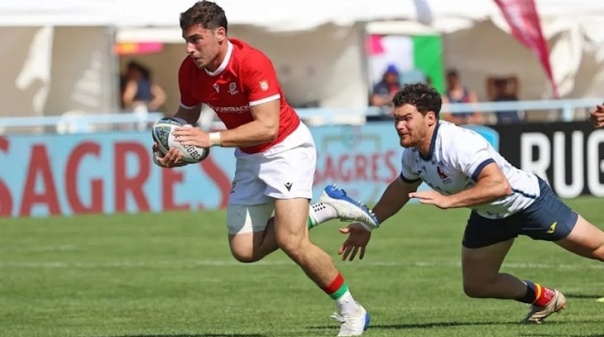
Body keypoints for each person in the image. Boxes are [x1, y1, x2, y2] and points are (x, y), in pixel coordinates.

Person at [152, 2, 377, 336]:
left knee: (291, 240)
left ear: (220, 34)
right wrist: (170, 144)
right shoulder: (190, 70)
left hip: (286, 148)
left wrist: (210, 139)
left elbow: (268, 128)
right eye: (186, 39)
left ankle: (351, 310)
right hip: (248, 153)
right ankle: (325, 208)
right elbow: (187, 116)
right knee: (244, 250)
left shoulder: (251, 63)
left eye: (196, 39)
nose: (189, 47)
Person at [338, 83, 604, 323]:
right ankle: (544, 298)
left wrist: (448, 200)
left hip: (527, 204)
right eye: (396, 119)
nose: (399, 126)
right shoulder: (412, 155)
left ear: (430, 118)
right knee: (477, 284)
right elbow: (400, 189)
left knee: (598, 248)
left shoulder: (458, 143)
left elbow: (500, 185)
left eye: (407, 118)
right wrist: (369, 223)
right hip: (489, 214)